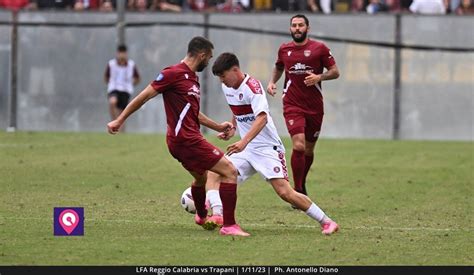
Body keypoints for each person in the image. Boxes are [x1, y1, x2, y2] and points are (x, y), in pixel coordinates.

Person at [107, 37, 249, 237]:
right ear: (201, 55)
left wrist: (218, 125)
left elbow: (194, 113)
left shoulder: (193, 79)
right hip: (186, 140)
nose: (208, 62)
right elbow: (144, 96)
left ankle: (201, 215)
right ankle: (230, 226)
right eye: (208, 58)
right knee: (230, 171)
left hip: (184, 140)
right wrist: (119, 120)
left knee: (201, 178)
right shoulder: (172, 74)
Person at [204, 52, 338, 235]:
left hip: (267, 149)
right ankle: (219, 215)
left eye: (223, 76)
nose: (221, 81)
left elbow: (262, 119)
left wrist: (243, 141)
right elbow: (236, 108)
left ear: (235, 70)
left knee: (285, 193)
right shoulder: (228, 87)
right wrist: (233, 127)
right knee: (214, 171)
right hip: (246, 148)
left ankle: (327, 221)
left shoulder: (253, 87)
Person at [266, 14, 340, 197]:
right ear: (290, 28)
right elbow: (279, 66)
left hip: (314, 106)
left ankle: (302, 182)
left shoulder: (319, 48)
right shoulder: (284, 49)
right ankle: (297, 190)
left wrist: (319, 77)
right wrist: (271, 82)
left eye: (300, 25)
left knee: (308, 149)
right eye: (294, 25)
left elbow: (335, 72)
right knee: (298, 146)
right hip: (292, 104)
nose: (297, 28)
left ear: (308, 28)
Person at [105, 45, 140, 132]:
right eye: (120, 53)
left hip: (125, 90)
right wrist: (110, 84)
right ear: (117, 53)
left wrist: (131, 84)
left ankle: (120, 130)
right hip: (114, 88)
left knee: (122, 111)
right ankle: (113, 122)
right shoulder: (111, 64)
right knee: (112, 102)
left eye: (123, 53)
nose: (122, 55)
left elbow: (137, 78)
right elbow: (106, 77)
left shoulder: (131, 65)